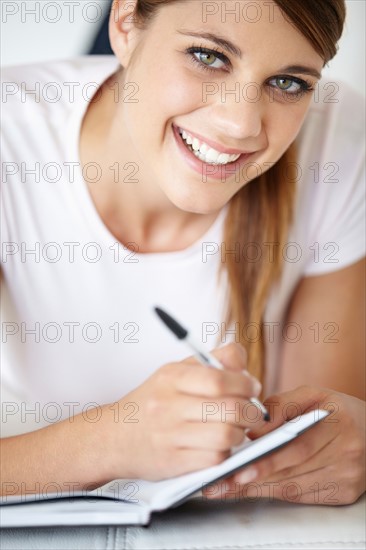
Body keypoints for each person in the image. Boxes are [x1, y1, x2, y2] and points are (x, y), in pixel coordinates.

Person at [0, 0, 365, 505]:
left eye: (288, 83)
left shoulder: (337, 143)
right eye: (207, 55)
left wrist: (336, 455)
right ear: (126, 23)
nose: (240, 125)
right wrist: (111, 442)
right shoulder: (10, 137)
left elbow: (301, 457)